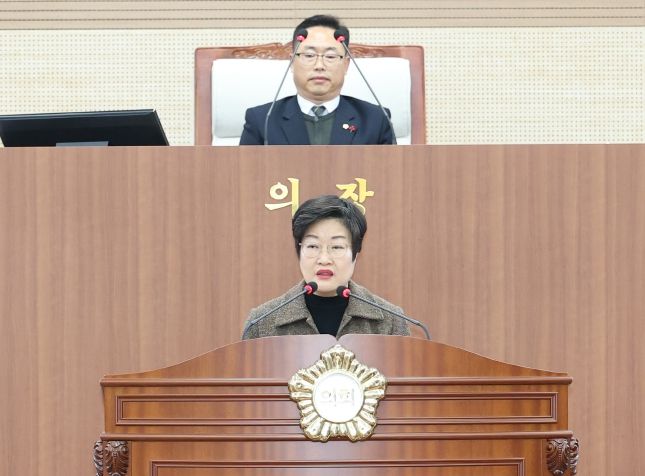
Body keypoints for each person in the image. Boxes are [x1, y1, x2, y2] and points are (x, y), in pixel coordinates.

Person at [242, 195, 409, 339]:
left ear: (356, 253)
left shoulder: (391, 321)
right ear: (299, 251)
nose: (324, 259)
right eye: (313, 246)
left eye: (336, 247)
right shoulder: (261, 323)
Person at [239, 15, 394, 145]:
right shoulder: (263, 120)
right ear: (292, 62)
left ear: (346, 65)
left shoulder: (376, 119)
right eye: (309, 55)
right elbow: (243, 171)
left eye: (331, 56)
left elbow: (392, 171)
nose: (319, 66)